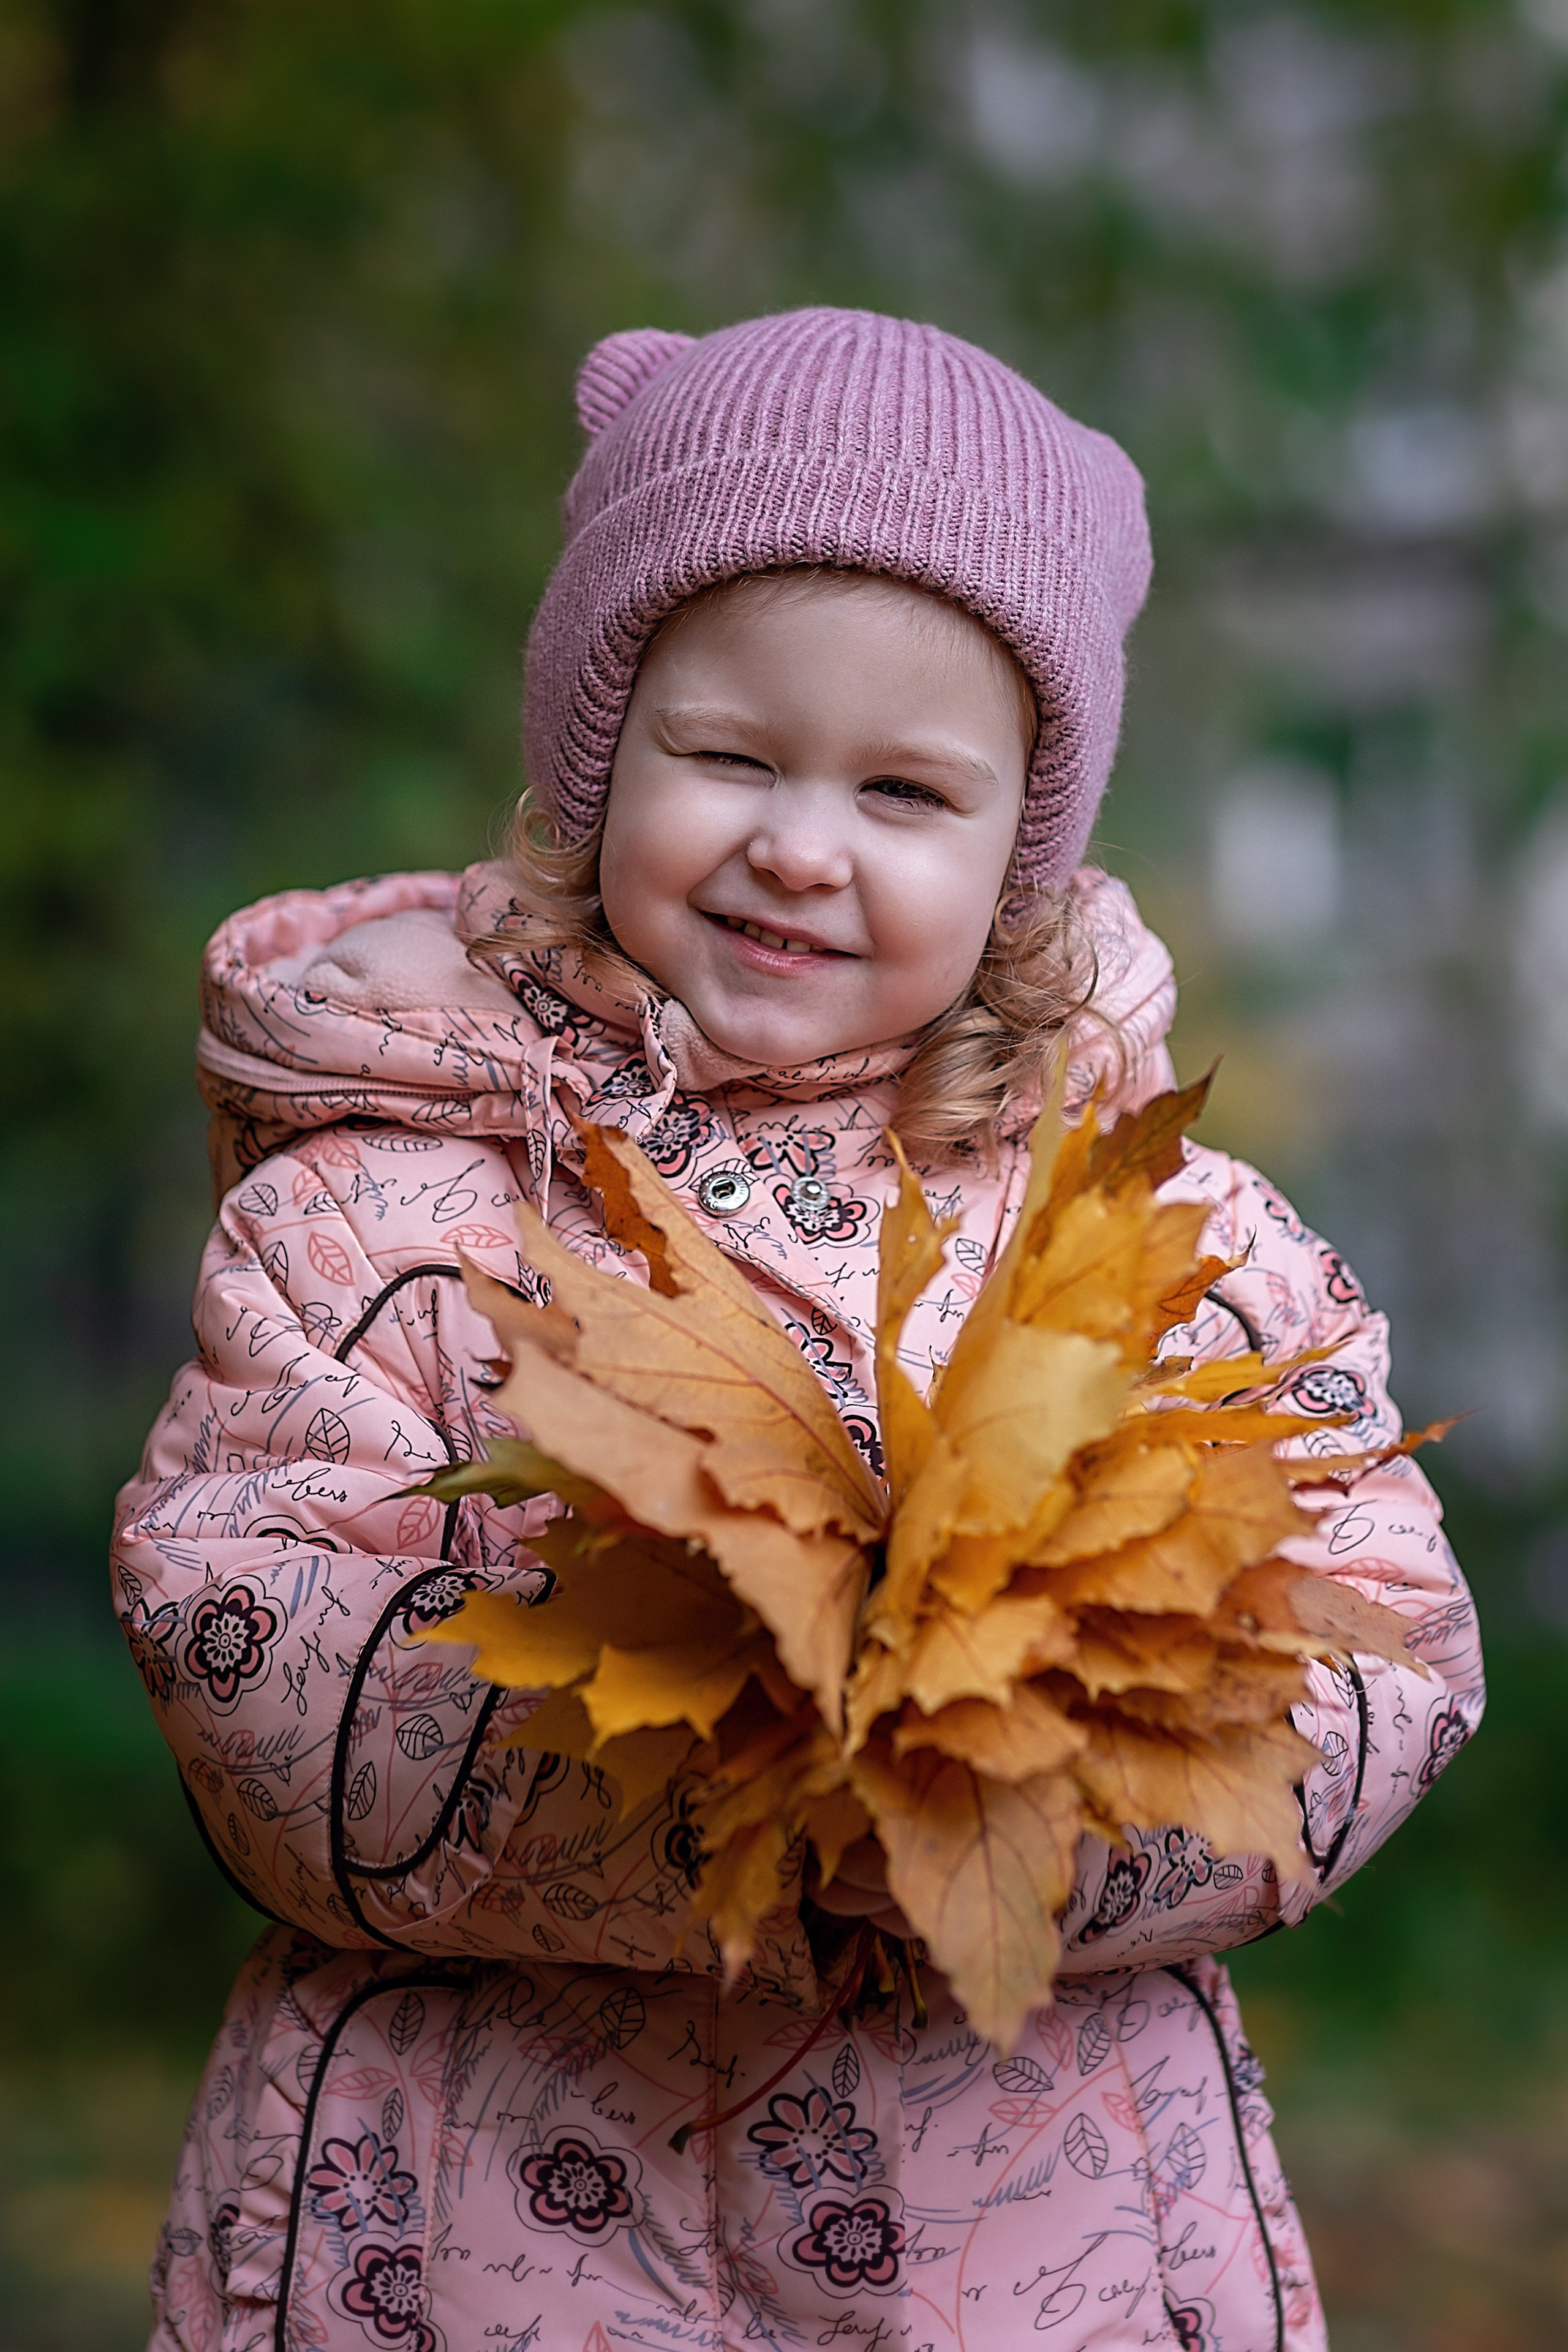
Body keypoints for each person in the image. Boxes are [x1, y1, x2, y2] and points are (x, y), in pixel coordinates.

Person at [116, 309, 1483, 2352]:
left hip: (1028, 2242)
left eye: (907, 792)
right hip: (476, 2229)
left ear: (1021, 854)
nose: (800, 843)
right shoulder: (380, 1204)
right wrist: (699, 1760)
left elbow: (1379, 1633)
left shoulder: (1152, 1233)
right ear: (600, 761)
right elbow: (250, 1640)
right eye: (730, 755)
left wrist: (1012, 1808)